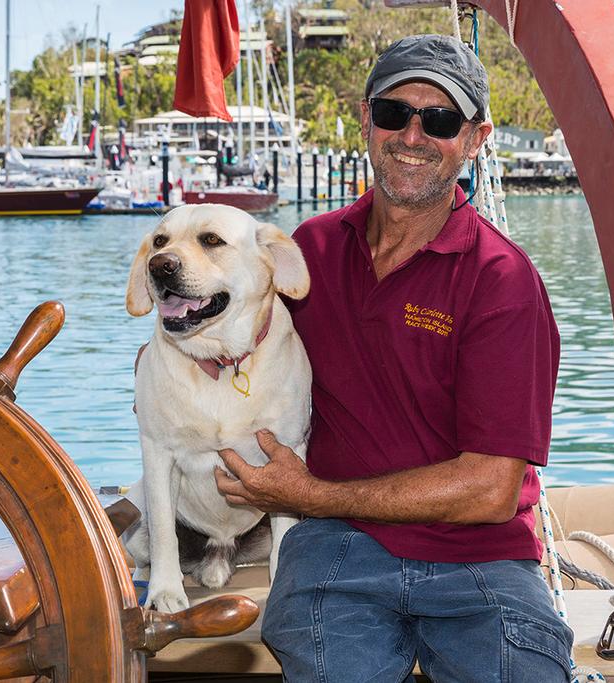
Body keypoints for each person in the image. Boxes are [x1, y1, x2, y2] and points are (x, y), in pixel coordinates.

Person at [214, 34, 573, 682]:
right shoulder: (311, 251)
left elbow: (492, 489)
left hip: (480, 559)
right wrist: (180, 366)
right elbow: (234, 347)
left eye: (439, 120)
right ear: (366, 120)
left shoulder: (502, 280)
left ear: (475, 139)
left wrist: (314, 495)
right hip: (340, 546)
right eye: (393, 113)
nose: (412, 135)